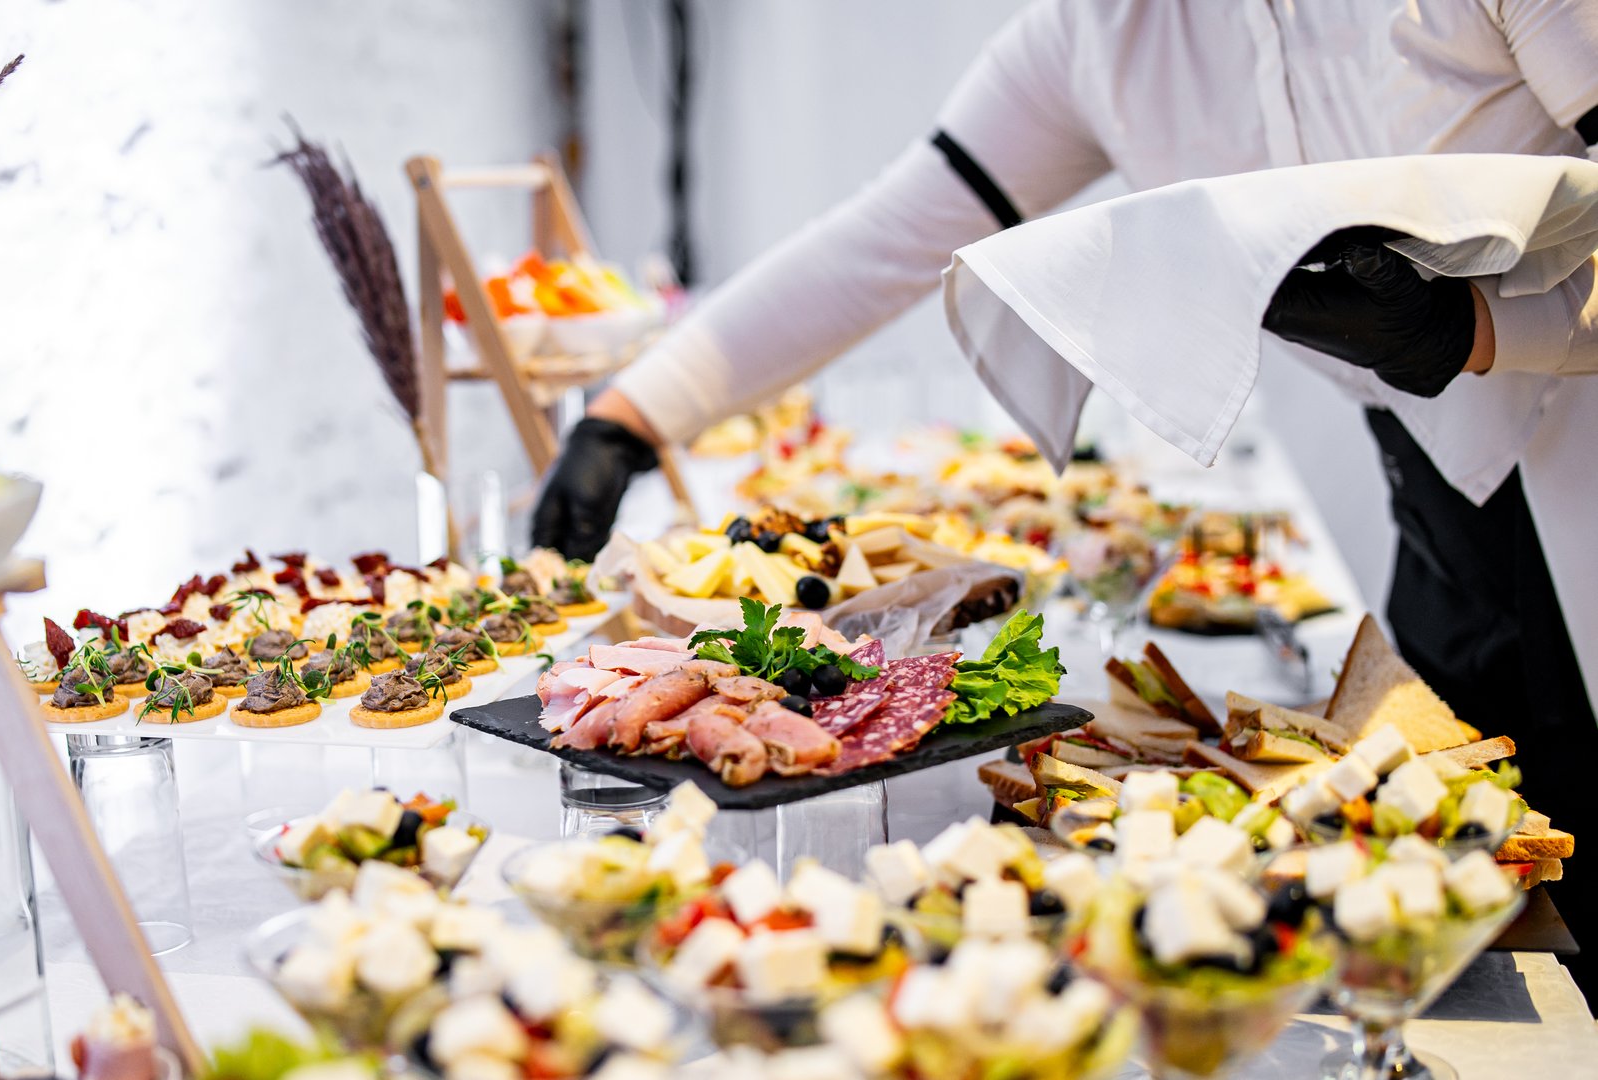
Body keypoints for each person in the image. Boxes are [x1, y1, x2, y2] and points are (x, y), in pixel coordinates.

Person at [532, 1, 1598, 996]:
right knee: (1467, 929)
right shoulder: (1098, 33)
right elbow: (889, 235)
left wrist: (1488, 332)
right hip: (1445, 523)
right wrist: (632, 416)